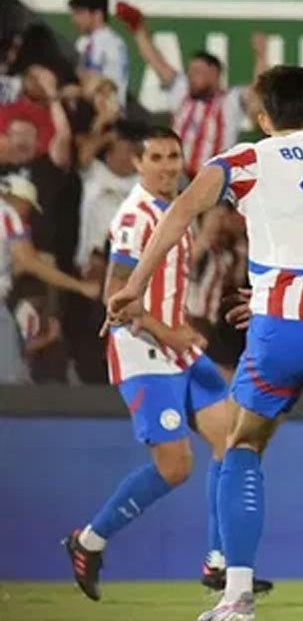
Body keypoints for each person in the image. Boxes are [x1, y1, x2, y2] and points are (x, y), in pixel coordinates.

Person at [106, 66, 303, 621]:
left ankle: (236, 595)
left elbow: (183, 209)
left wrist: (135, 285)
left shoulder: (250, 158)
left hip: (280, 324)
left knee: (242, 445)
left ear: (264, 118)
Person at [63, 128, 274, 602]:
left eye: (172, 156)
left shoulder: (175, 210)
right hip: (143, 349)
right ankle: (88, 541)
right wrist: (167, 331)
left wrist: (181, 330)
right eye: (155, 157)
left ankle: (219, 562)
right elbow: (114, 294)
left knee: (233, 439)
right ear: (137, 164)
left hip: (177, 348)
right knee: (175, 466)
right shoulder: (135, 216)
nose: (166, 166)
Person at [118, 1, 268, 180]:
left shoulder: (229, 100)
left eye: (198, 72)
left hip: (212, 178)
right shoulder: (182, 90)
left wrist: (261, 56)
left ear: (214, 74)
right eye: (190, 72)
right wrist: (138, 30)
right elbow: (157, 63)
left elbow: (258, 90)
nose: (191, 76)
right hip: (177, 175)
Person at [0, 174, 98, 382]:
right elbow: (30, 262)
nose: (27, 216)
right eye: (28, 208)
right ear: (20, 200)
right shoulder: (8, 214)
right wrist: (80, 286)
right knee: (10, 381)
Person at [69, 0, 128, 106]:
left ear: (97, 14)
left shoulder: (105, 42)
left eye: (79, 13)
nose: (74, 20)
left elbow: (91, 87)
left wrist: (71, 91)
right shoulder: (85, 42)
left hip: (105, 109)